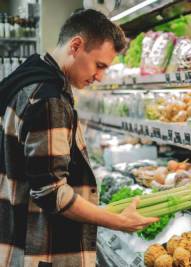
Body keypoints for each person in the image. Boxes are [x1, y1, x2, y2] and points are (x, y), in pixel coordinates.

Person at [0, 9, 158, 267]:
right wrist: (116, 220)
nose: (100, 77)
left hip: (18, 240)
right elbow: (51, 191)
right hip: (43, 252)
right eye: (99, 65)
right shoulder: (48, 99)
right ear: (76, 46)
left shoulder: (27, 78)